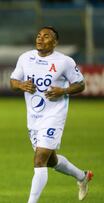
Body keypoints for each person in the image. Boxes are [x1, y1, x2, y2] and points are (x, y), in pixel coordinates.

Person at [10, 26, 93, 203]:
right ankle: (82, 176)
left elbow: (80, 84)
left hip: (53, 117)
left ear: (55, 42)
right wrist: (21, 85)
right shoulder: (25, 58)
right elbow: (13, 81)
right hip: (33, 118)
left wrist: (63, 90)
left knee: (39, 160)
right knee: (50, 160)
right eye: (39, 35)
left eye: (46, 37)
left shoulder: (64, 62)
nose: (40, 39)